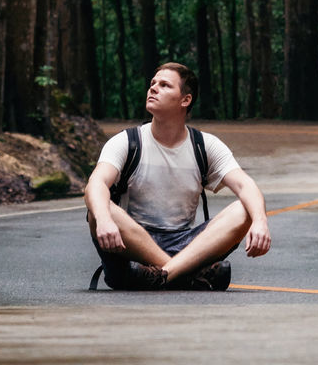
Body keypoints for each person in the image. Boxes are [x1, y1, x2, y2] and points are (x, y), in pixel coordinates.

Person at [84, 61, 271, 290]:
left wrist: (260, 222)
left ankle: (162, 275)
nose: (153, 88)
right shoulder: (128, 141)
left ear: (186, 100)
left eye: (164, 85)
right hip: (131, 244)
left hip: (186, 243)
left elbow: (245, 186)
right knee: (97, 210)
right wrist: (103, 219)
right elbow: (96, 183)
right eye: (153, 84)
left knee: (246, 209)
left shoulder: (204, 145)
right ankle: (187, 276)